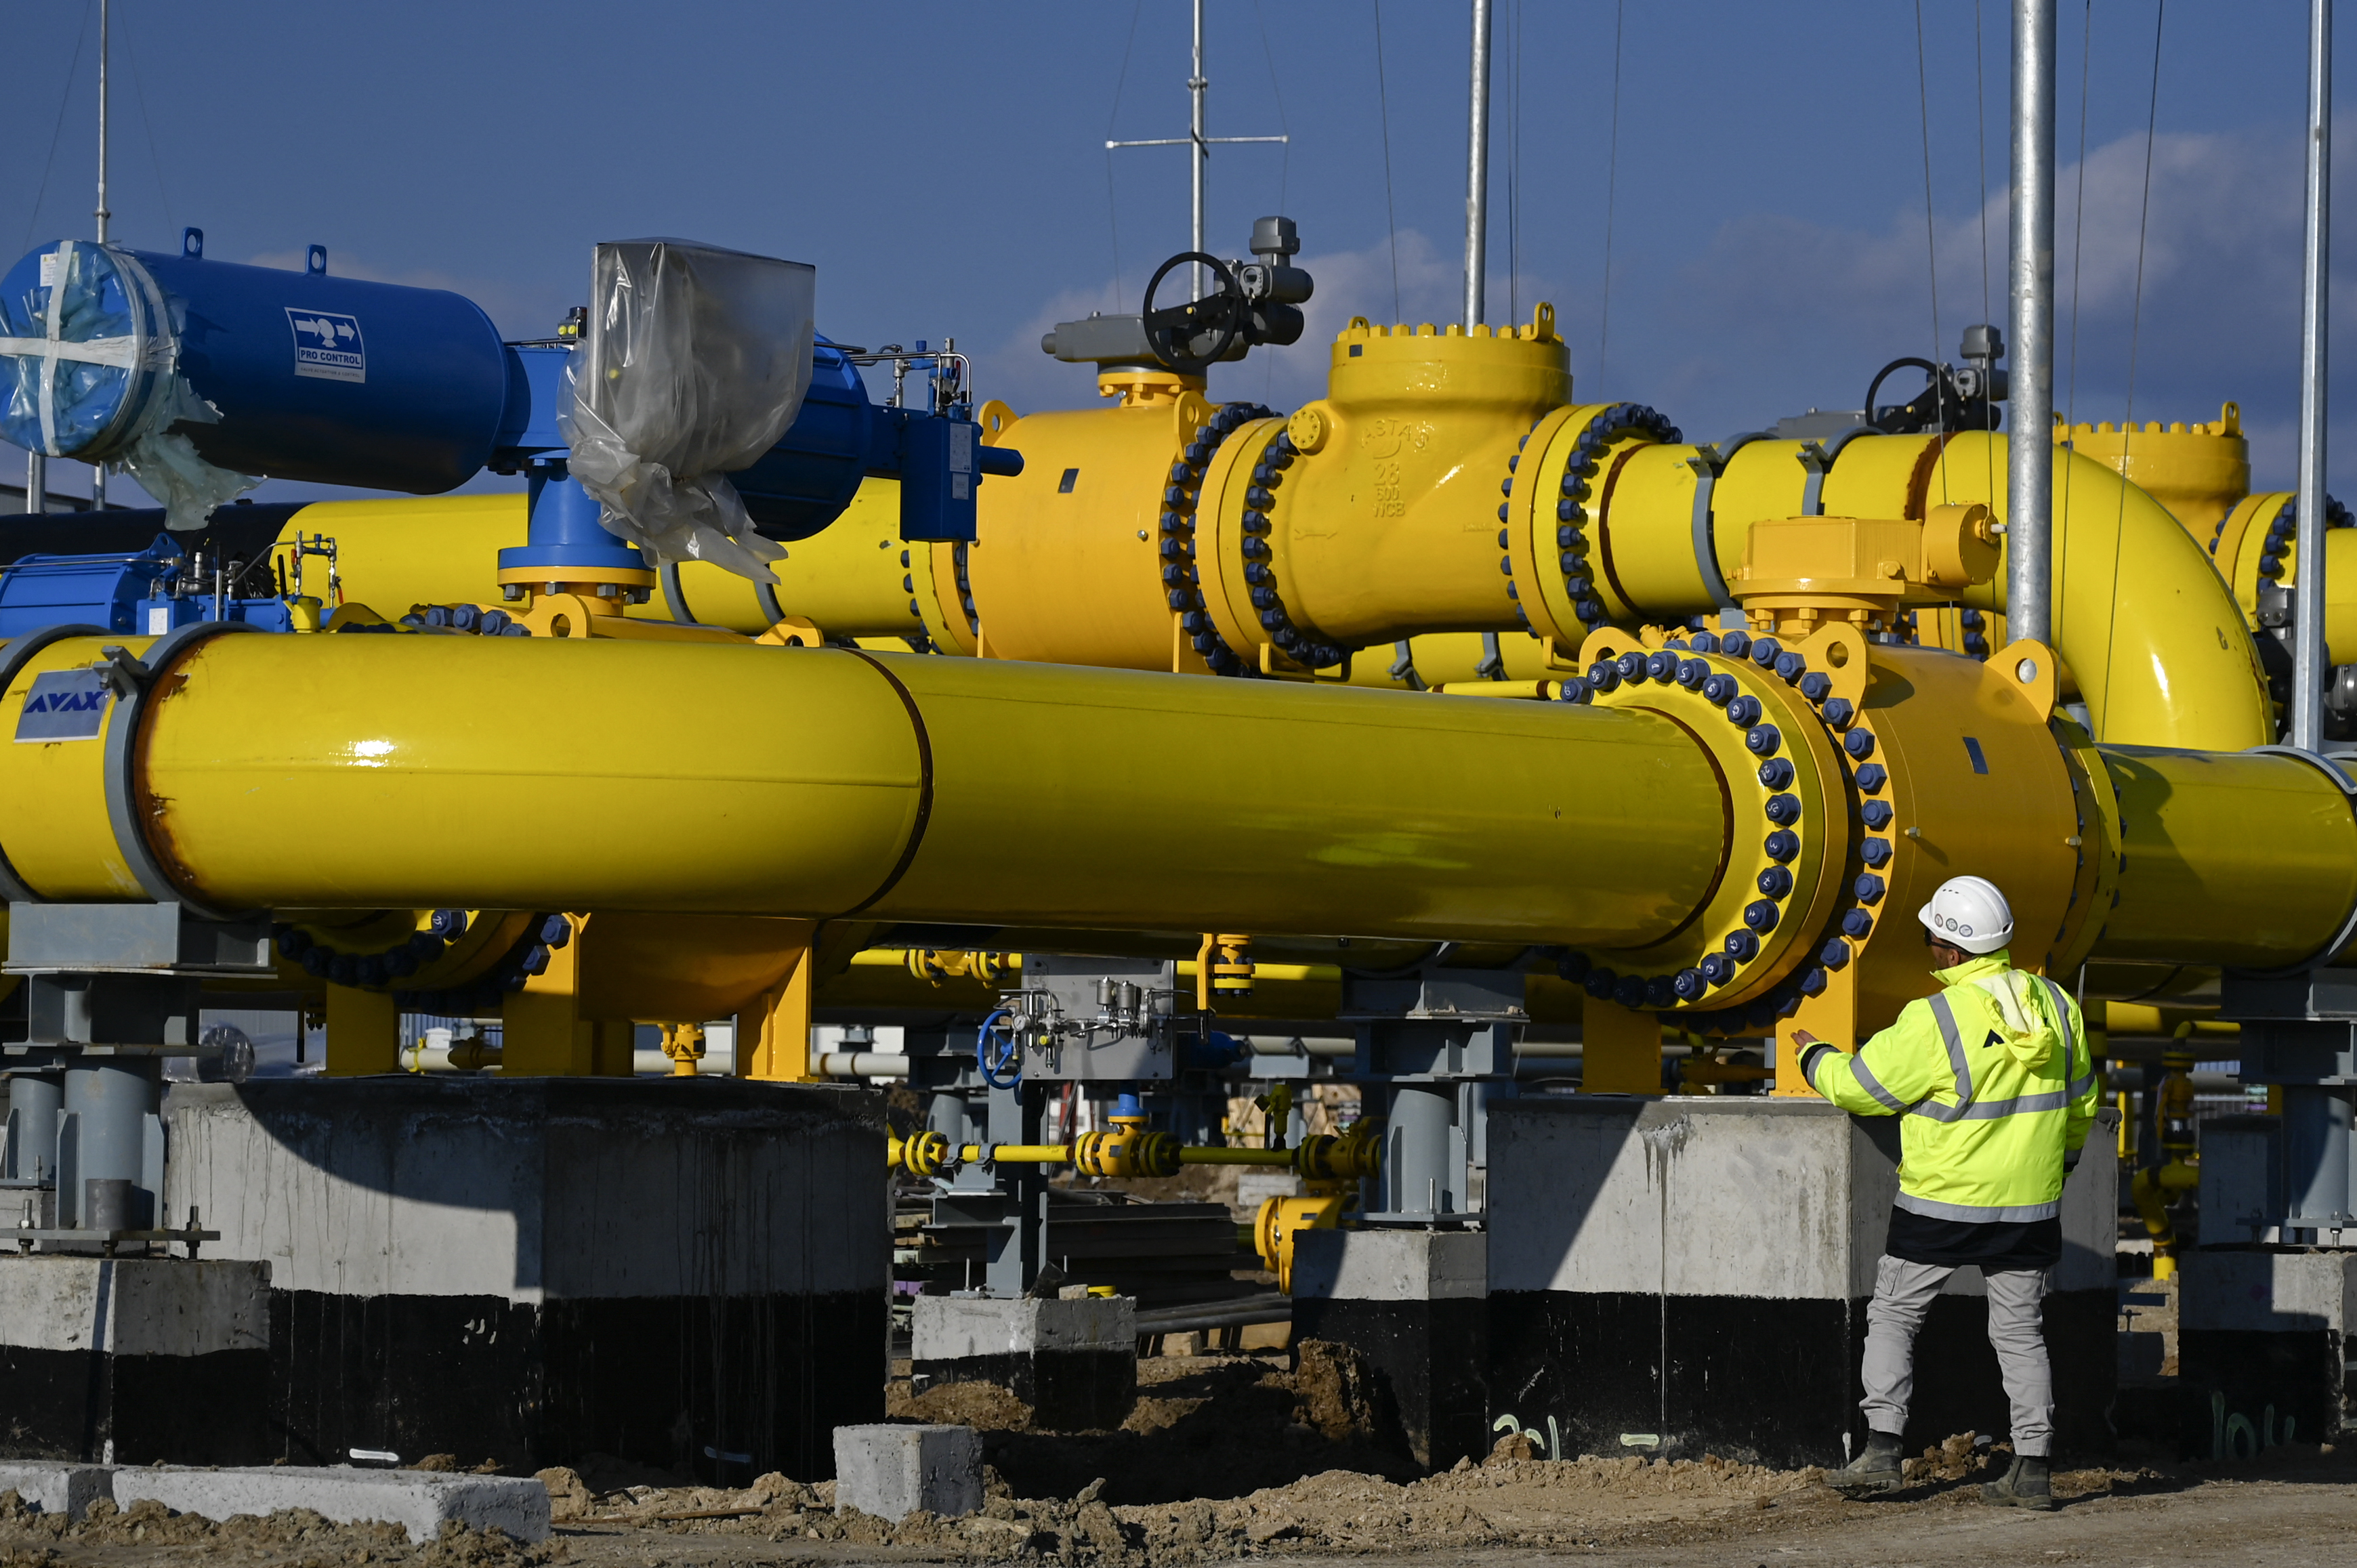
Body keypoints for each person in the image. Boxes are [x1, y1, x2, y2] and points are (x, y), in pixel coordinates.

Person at [1791, 874, 2098, 1510]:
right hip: (2029, 1208)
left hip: (1939, 1205)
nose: (1928, 944)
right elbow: (2082, 1101)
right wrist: (2057, 1167)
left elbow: (1860, 1087)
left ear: (1952, 950)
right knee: (2020, 1332)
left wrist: (1810, 1055)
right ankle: (2033, 1468)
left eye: (1932, 936)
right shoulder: (2058, 1006)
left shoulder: (1934, 1017)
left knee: (1895, 1316)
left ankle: (1881, 1452)